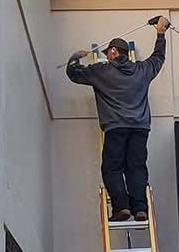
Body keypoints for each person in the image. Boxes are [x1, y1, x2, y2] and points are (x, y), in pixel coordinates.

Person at [66, 18, 171, 221]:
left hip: (116, 128)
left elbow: (73, 73)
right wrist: (160, 33)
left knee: (112, 168)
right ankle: (140, 208)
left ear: (113, 52)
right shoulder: (142, 70)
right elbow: (158, 58)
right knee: (136, 167)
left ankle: (121, 207)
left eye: (109, 53)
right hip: (140, 128)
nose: (108, 56)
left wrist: (75, 57)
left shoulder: (102, 71)